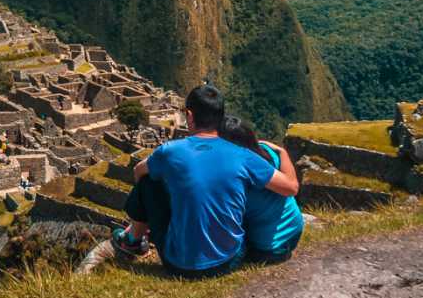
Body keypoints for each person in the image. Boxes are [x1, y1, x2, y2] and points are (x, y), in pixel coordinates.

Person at [113, 84, 298, 277]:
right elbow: (291, 187)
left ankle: (133, 241)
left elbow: (138, 171)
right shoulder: (244, 156)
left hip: (177, 264)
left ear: (190, 115)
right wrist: (282, 152)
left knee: (147, 183)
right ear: (220, 116)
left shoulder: (169, 151)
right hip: (229, 262)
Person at [218, 116, 304, 264]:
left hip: (269, 249)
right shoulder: (268, 151)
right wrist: (282, 151)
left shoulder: (239, 172)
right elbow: (292, 186)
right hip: (295, 230)